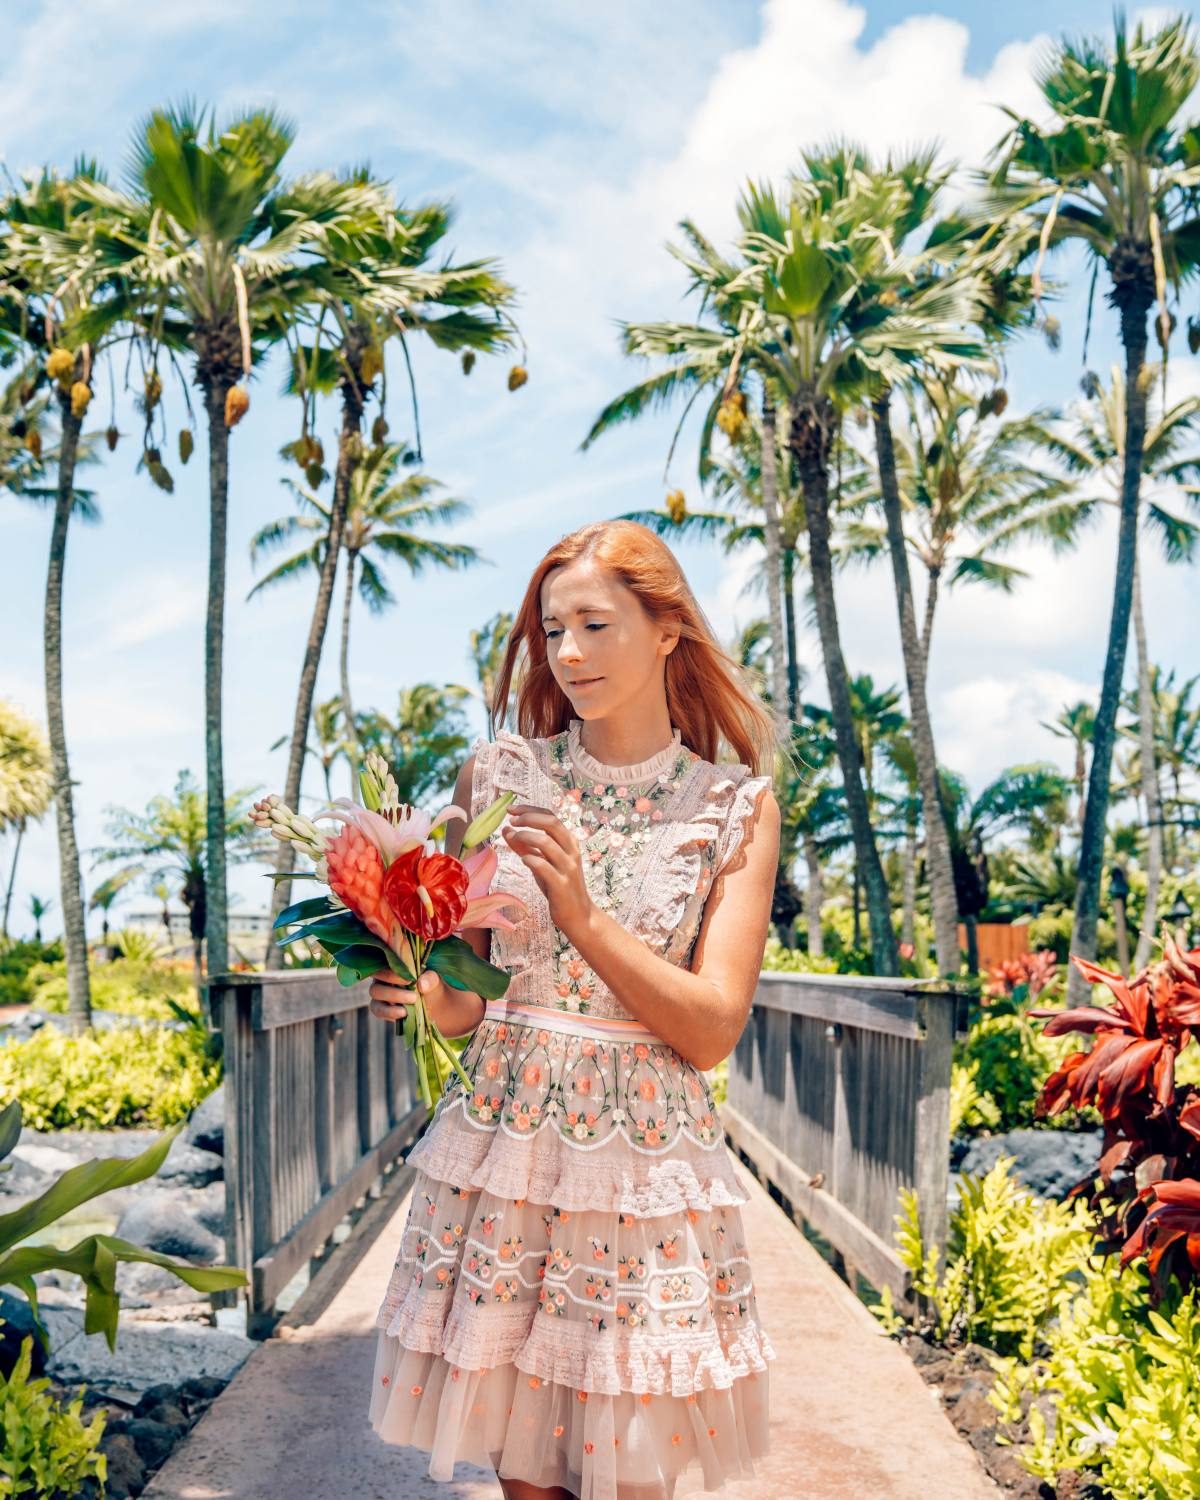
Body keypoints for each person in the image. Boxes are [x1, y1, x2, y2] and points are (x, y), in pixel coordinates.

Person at [366, 518, 783, 1500]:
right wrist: (408, 982)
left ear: (666, 628)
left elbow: (714, 1027)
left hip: (642, 1183)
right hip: (508, 1169)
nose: (569, 654)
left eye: (596, 624)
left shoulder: (733, 807)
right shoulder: (500, 777)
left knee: (634, 1479)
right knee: (528, 1482)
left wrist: (586, 918)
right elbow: (469, 998)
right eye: (555, 631)